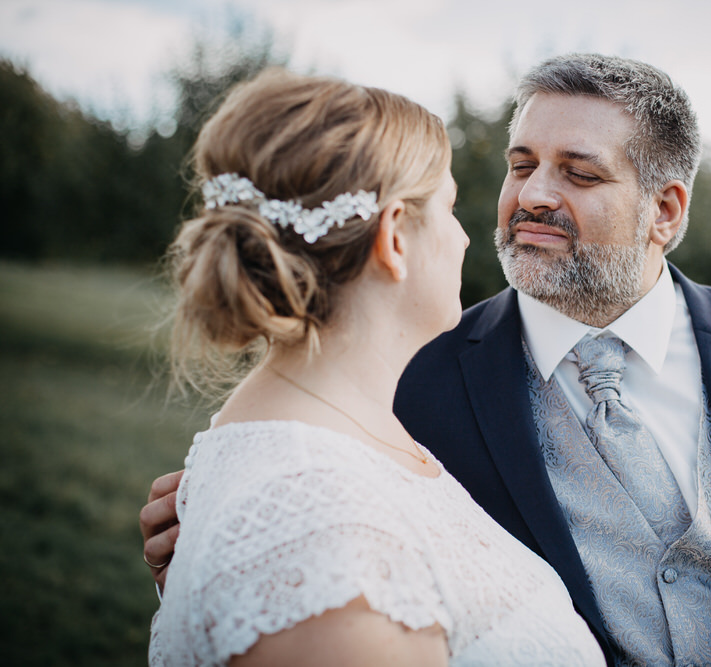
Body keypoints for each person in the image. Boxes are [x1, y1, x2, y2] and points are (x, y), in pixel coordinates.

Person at [143, 55, 711, 666]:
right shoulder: (402, 382)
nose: (532, 194)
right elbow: (306, 545)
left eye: (579, 172)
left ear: (665, 211)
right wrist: (219, 545)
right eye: (521, 163)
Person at [143, 67, 605, 666]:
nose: (468, 239)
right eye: (450, 207)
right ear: (393, 238)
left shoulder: (342, 437)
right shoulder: (320, 528)